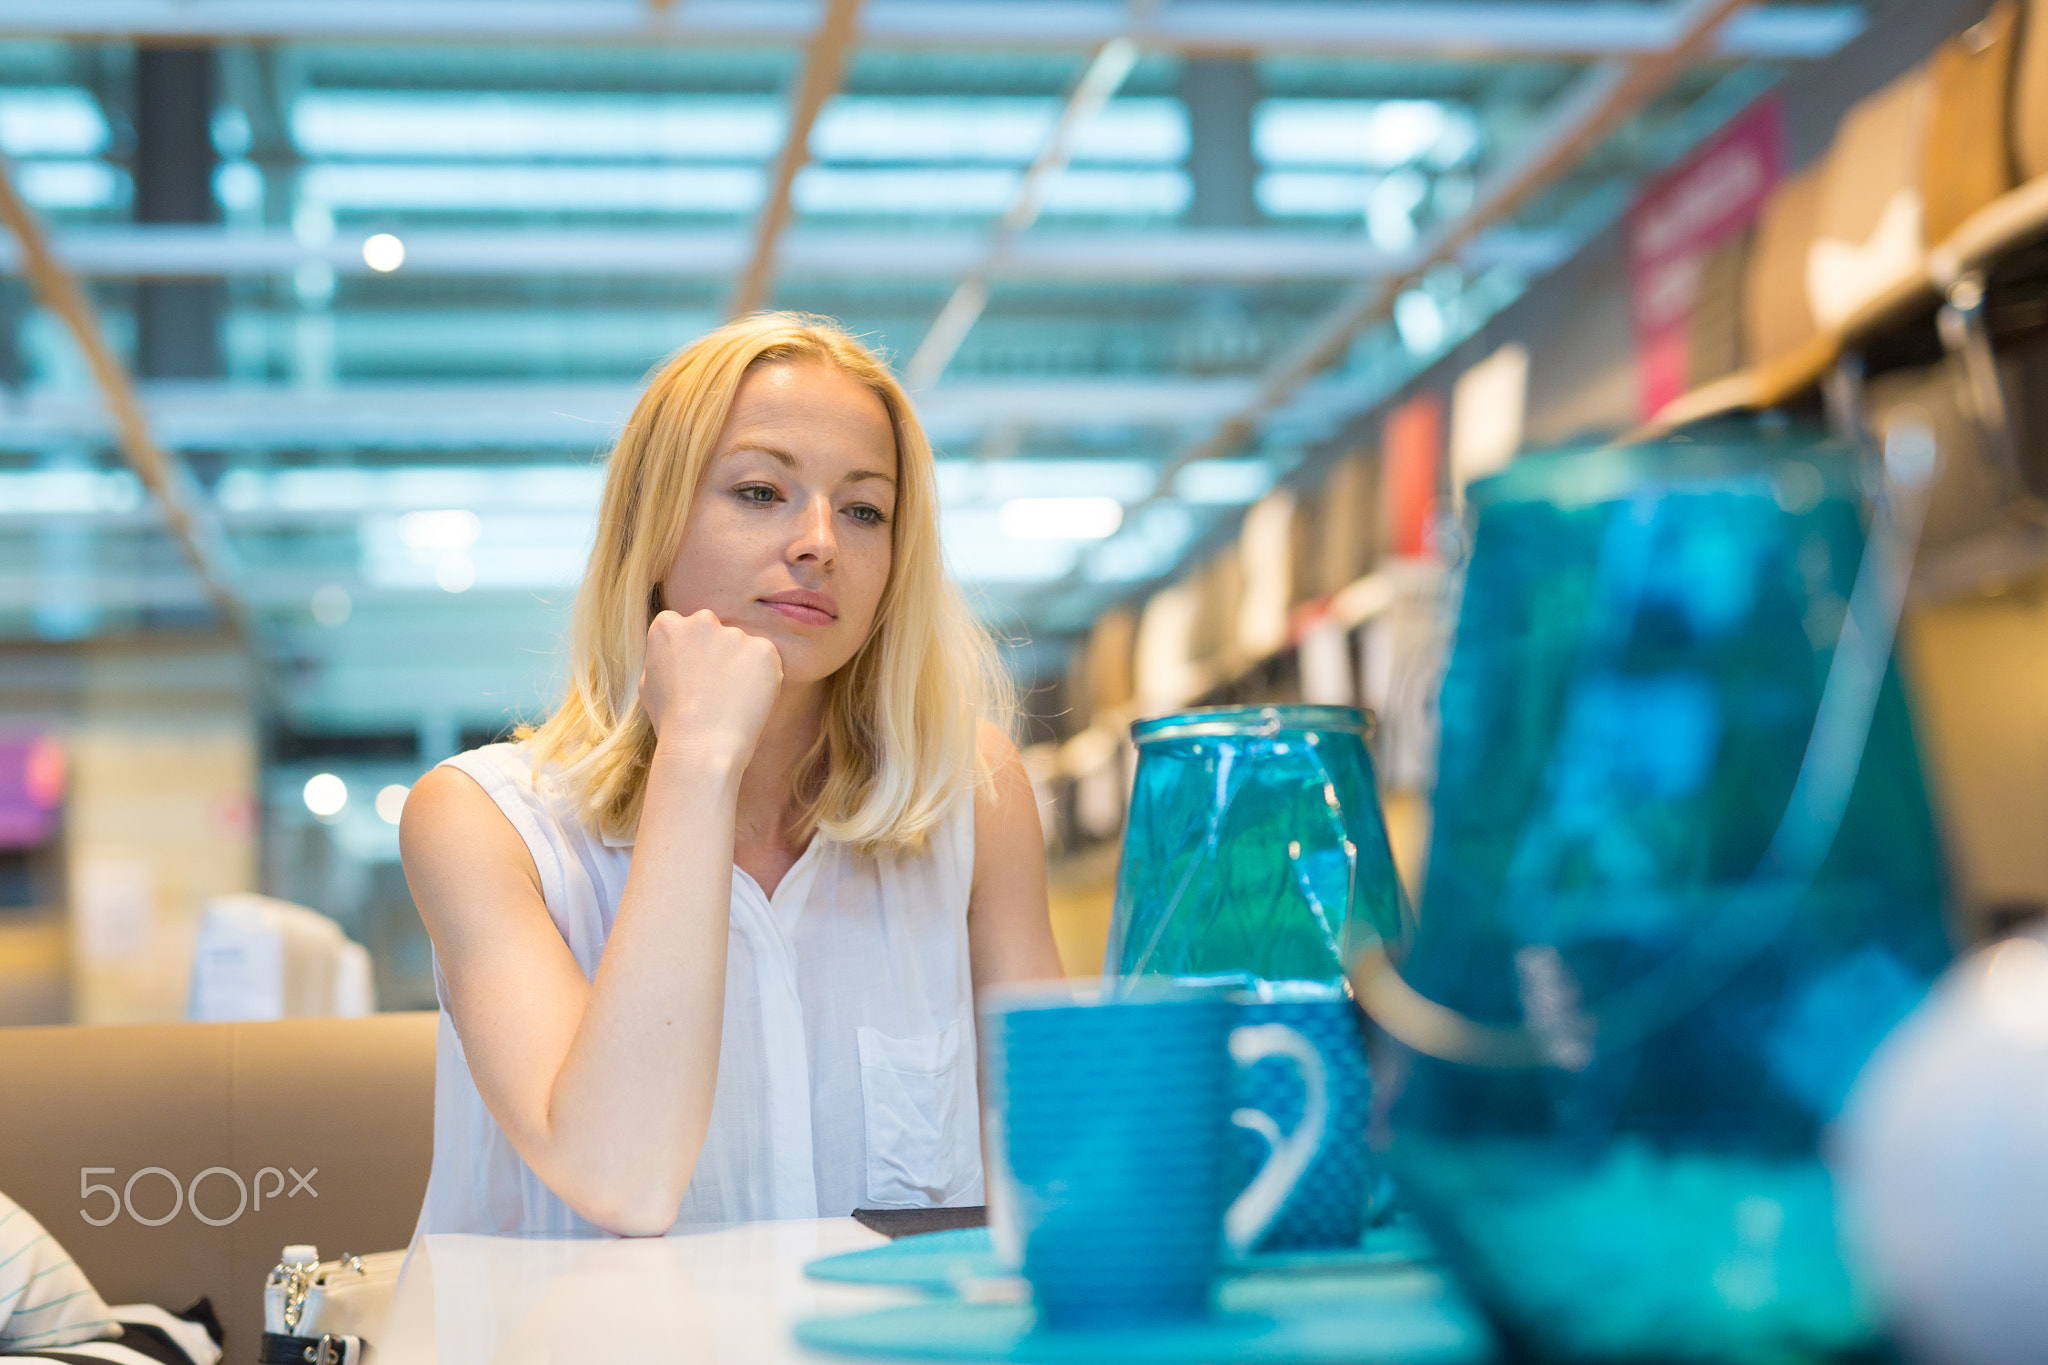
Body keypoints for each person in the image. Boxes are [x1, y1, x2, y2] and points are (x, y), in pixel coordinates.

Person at [400, 313, 1065, 1237]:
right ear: (652, 525)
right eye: (760, 491)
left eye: (865, 509)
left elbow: (1061, 1172)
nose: (820, 541)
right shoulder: (482, 820)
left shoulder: (971, 793)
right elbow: (620, 1177)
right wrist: (697, 761)